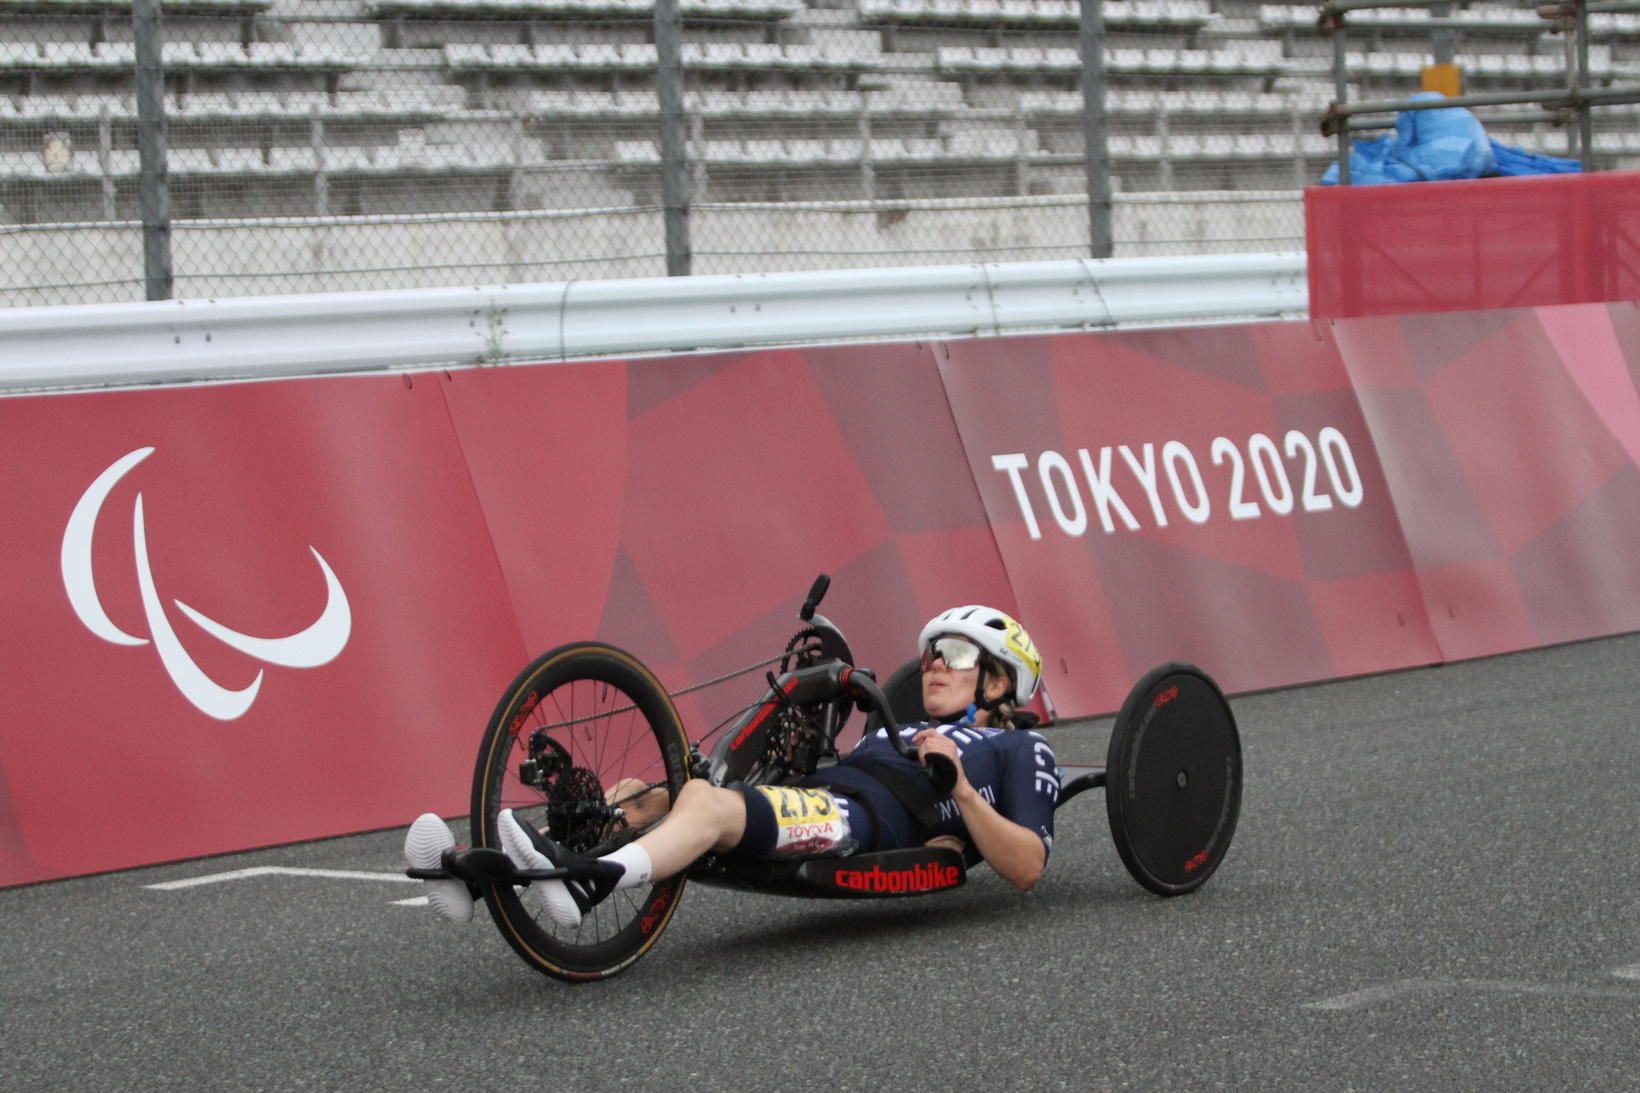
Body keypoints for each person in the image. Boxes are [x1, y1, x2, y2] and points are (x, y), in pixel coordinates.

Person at [404, 605, 1058, 927]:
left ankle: (589, 883)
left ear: (1001, 682)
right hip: (819, 796)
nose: (935, 664)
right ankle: (485, 874)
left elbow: (1027, 864)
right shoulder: (906, 724)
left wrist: (965, 793)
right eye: (933, 653)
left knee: (709, 808)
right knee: (657, 792)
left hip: (856, 822)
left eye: (954, 653)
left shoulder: (1018, 749)